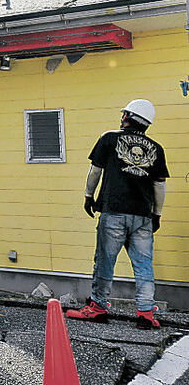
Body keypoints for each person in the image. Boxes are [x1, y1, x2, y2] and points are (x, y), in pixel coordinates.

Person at [66, 99, 168, 329]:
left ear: (127, 117)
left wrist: (88, 196)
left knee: (104, 262)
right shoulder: (156, 148)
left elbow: (95, 171)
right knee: (143, 266)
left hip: (113, 212)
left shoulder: (109, 138)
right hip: (142, 216)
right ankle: (145, 313)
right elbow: (159, 186)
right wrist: (157, 214)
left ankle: (98, 307)